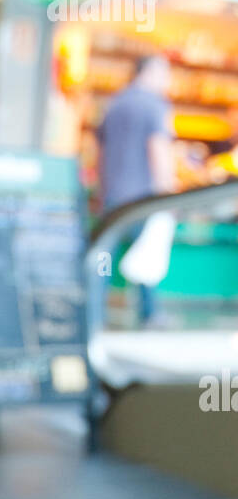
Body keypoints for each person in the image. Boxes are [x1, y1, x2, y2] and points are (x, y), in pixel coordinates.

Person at [97, 54, 175, 326]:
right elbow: (159, 149)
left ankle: (94, 313)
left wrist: (101, 190)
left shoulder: (115, 103)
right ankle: (150, 314)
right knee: (148, 255)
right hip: (143, 198)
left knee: (104, 259)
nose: (168, 81)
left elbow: (101, 151)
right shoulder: (155, 105)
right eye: (165, 74)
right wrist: (168, 194)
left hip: (113, 196)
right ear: (151, 71)